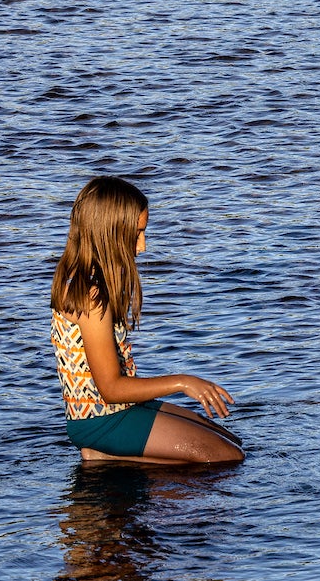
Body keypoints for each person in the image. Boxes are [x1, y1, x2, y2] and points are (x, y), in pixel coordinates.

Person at [51, 176, 243, 465]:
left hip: (121, 409)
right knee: (225, 457)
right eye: (137, 234)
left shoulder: (93, 282)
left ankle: (109, 457)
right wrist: (183, 382)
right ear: (110, 233)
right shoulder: (90, 295)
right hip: (102, 420)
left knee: (230, 441)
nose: (143, 246)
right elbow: (111, 388)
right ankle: (107, 455)